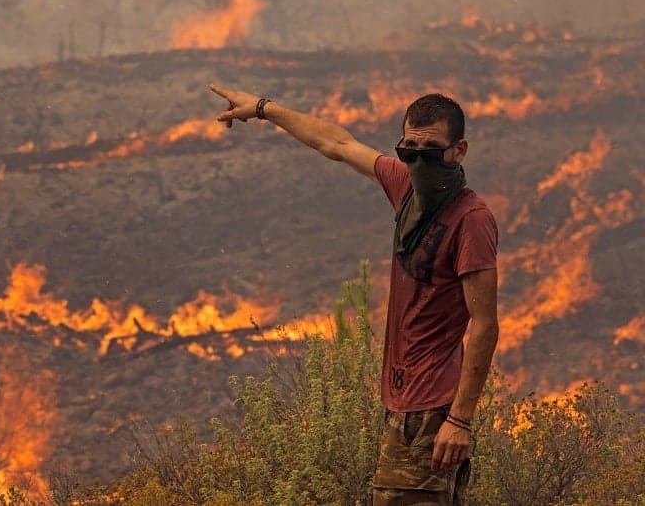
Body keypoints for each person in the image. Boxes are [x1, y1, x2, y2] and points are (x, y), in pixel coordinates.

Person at [209, 85, 498, 506]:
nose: (419, 161)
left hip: (432, 408)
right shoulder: (407, 190)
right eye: (409, 149)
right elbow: (336, 143)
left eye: (431, 149)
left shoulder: (470, 220)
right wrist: (263, 109)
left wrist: (459, 419)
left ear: (459, 151)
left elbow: (486, 324)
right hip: (402, 401)